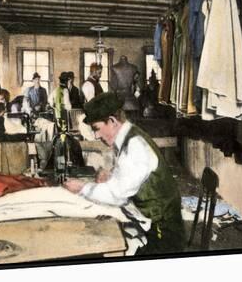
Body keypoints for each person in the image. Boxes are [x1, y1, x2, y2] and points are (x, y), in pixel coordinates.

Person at [63, 92, 185, 255]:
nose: (96, 135)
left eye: (97, 129)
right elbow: (130, 176)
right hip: (153, 221)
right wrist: (112, 177)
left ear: (112, 121)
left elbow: (117, 195)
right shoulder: (129, 136)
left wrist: (82, 188)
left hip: (162, 231)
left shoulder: (135, 145)